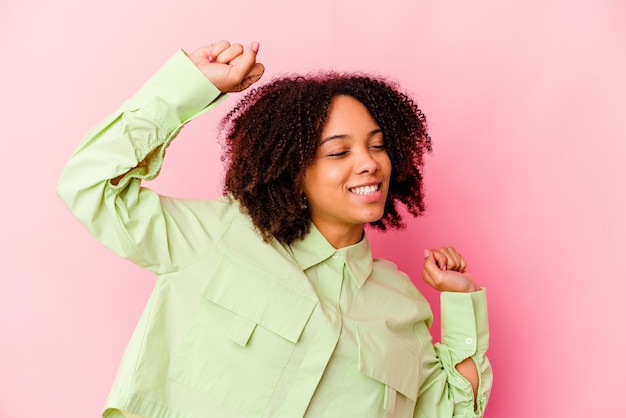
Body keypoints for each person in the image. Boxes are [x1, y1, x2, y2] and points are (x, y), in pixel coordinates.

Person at [57, 40, 492, 418]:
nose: (369, 162)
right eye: (338, 152)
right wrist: (187, 89)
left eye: (377, 146)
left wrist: (460, 301)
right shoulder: (214, 237)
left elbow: (446, 410)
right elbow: (89, 184)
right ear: (290, 168)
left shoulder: (400, 303)